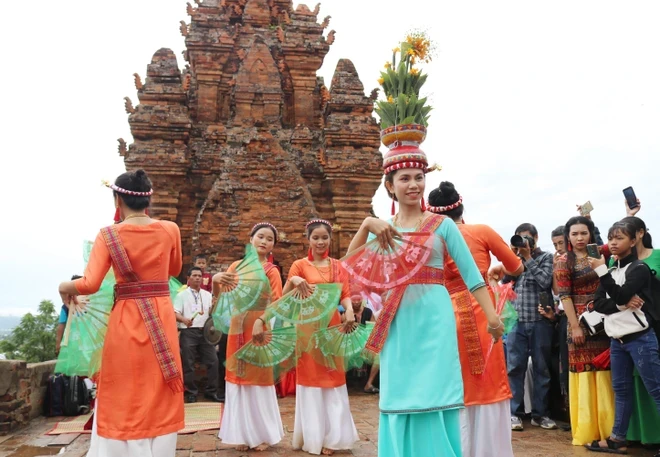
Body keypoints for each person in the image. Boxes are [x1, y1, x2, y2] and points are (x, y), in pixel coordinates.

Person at [347, 150, 504, 457]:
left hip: (436, 319)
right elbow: (351, 267)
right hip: (398, 321)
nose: (413, 184)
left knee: (437, 394)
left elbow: (473, 276)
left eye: (419, 177)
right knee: (399, 396)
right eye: (404, 179)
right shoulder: (381, 229)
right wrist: (367, 224)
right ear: (390, 185)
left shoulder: (442, 225)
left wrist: (493, 318)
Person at [58, 169, 184, 457]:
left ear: (118, 200)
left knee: (125, 382)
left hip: (126, 317)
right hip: (161, 316)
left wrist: (63, 285)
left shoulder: (108, 235)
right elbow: (174, 271)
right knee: (158, 382)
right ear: (148, 199)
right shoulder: (170, 229)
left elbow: (89, 284)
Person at [429, 181, 523, 457]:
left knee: (452, 380)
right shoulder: (480, 231)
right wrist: (494, 271)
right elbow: (516, 267)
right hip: (482, 309)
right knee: (488, 379)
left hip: (445, 312)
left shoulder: (433, 238)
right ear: (461, 207)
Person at [258, 219, 358, 456]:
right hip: (307, 328)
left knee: (333, 377)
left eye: (325, 237)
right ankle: (312, 437)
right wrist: (293, 280)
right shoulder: (299, 265)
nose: (321, 242)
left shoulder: (337, 266)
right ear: (308, 240)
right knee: (311, 380)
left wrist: (350, 311)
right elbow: (283, 296)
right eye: (316, 238)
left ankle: (334, 438)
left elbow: (345, 294)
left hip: (332, 325)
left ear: (330, 239)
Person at [586, 220, 660, 456]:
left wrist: (602, 274)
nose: (613, 243)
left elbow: (618, 295)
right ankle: (618, 438)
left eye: (619, 238)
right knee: (621, 389)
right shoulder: (611, 271)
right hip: (617, 341)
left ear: (634, 240)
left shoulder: (638, 269)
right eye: (611, 238)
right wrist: (622, 304)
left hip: (640, 339)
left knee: (656, 389)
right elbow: (599, 304)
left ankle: (619, 438)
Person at [215, 222, 285, 451]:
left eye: (269, 239)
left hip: (258, 327)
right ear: (251, 238)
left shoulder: (271, 271)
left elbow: (277, 302)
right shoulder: (236, 266)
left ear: (273, 246)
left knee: (259, 380)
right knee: (238, 379)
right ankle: (243, 434)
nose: (264, 242)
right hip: (237, 326)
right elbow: (223, 298)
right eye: (261, 237)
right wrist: (217, 281)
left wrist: (261, 321)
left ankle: (263, 435)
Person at [490, 223, 557, 431]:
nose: (524, 243)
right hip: (516, 322)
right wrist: (513, 258)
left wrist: (528, 258)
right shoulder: (514, 261)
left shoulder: (546, 257)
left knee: (541, 368)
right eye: (520, 239)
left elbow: (545, 281)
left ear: (536, 237)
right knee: (514, 368)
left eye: (527, 238)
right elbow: (504, 283)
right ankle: (514, 414)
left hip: (540, 321)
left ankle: (541, 414)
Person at [554, 216, 614, 445]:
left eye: (584, 233)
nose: (580, 238)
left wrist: (631, 216)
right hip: (579, 322)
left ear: (591, 233)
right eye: (575, 234)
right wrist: (576, 326)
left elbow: (623, 240)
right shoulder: (563, 261)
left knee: (607, 373)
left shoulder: (599, 254)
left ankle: (610, 430)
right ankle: (589, 430)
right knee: (585, 375)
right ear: (568, 237)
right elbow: (564, 295)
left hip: (606, 320)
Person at [618, 209, 660, 448]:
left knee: (655, 384)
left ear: (639, 234)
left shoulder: (658, 256)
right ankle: (637, 436)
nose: (617, 241)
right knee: (630, 384)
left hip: (653, 328)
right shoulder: (619, 263)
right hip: (626, 330)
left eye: (624, 234)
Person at [175, 267, 221, 403]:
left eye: (200, 276)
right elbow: (174, 312)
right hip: (189, 332)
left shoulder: (207, 294)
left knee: (213, 361)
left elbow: (211, 313)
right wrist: (184, 320)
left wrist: (214, 305)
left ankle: (211, 391)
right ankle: (191, 392)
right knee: (188, 362)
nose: (197, 278)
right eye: (194, 275)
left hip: (206, 332)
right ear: (188, 278)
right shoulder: (181, 295)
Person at [55, 275, 82, 357]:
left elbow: (61, 326)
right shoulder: (66, 308)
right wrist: (58, 344)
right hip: (76, 344)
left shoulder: (66, 307)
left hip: (76, 344)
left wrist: (58, 344)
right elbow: (61, 326)